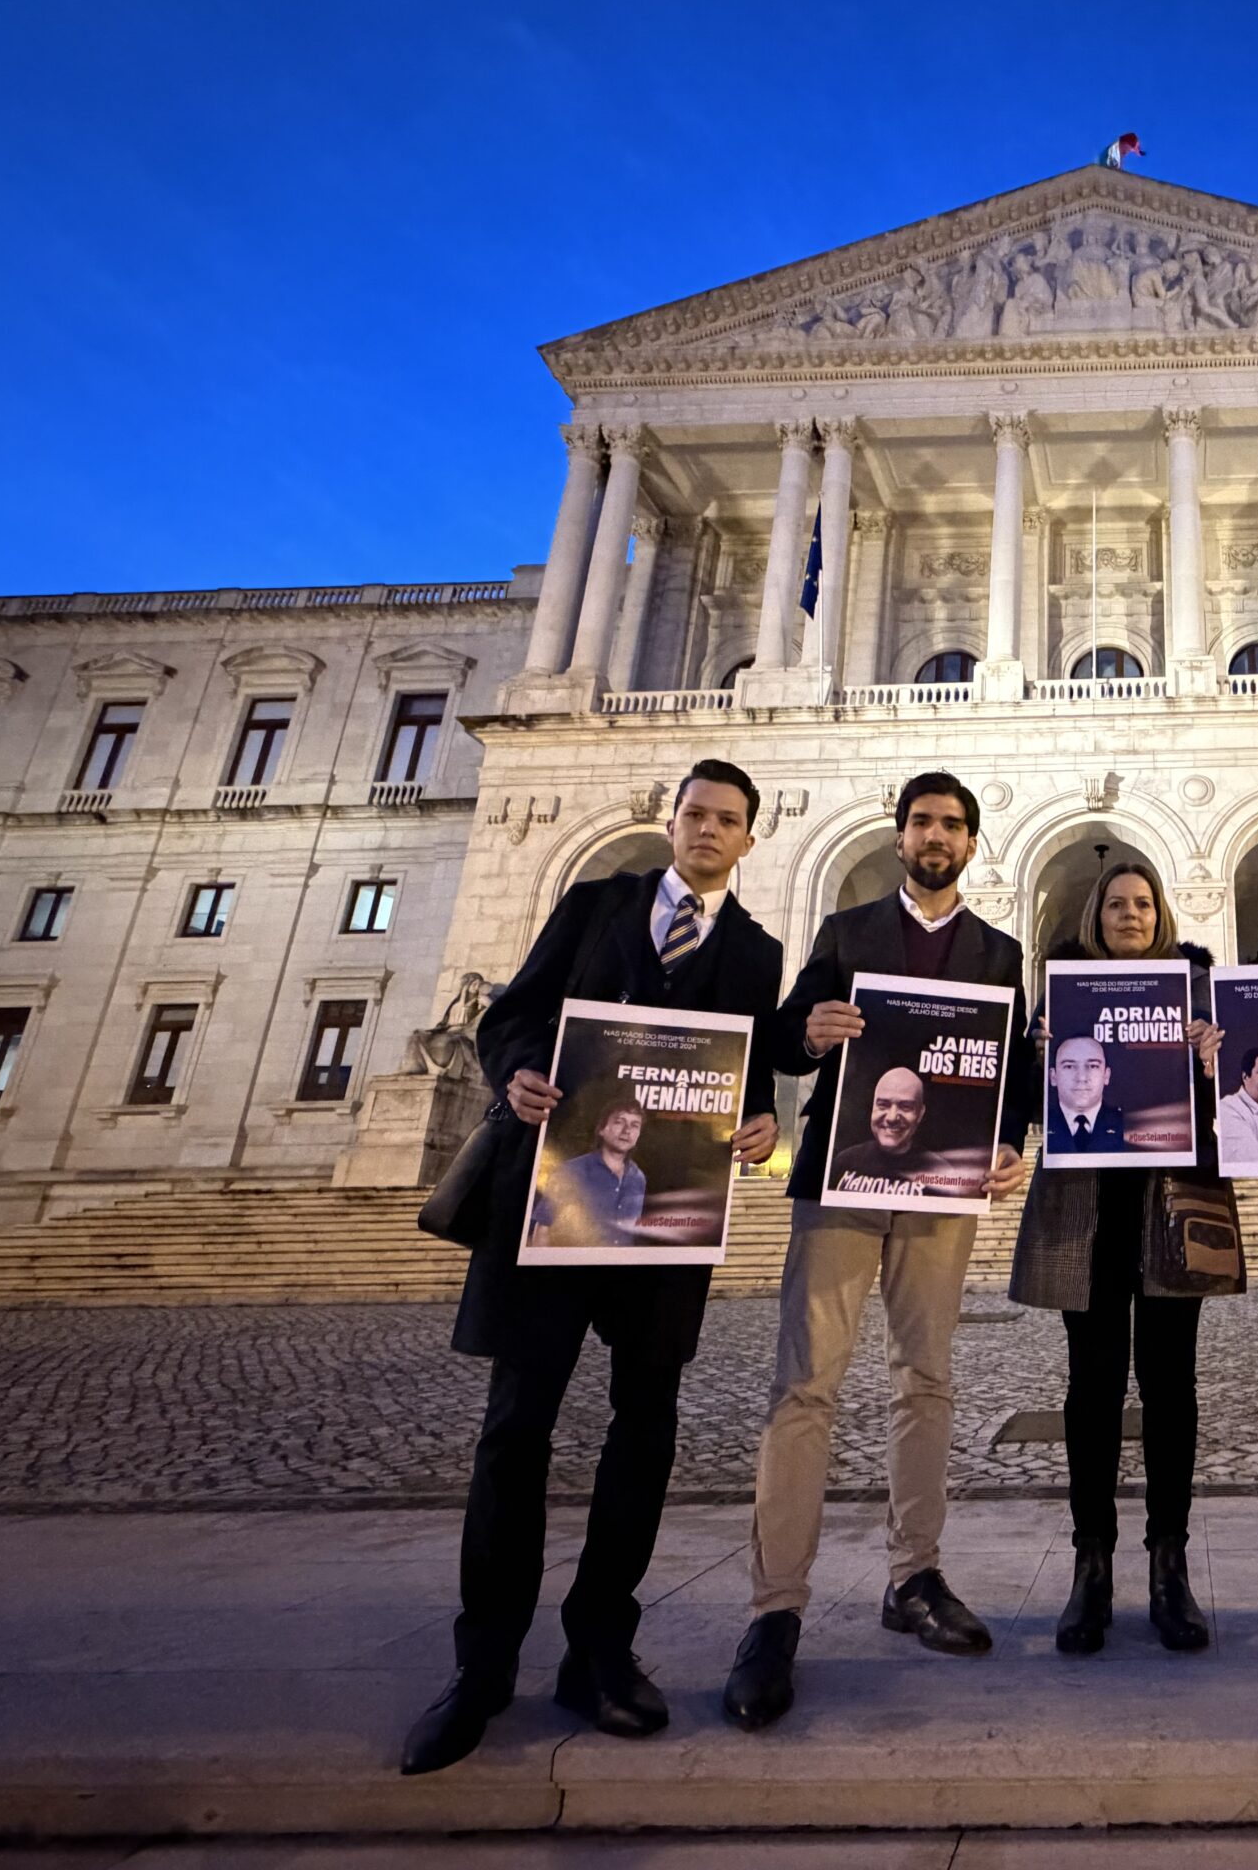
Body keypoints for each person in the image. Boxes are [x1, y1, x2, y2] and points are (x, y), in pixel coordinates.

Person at [402, 760, 782, 1775]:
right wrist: (519, 1071)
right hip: (553, 1202)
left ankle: (599, 1650)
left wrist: (758, 1127)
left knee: (643, 1432)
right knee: (514, 1431)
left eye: (727, 821)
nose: (707, 831)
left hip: (665, 1223)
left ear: (751, 837)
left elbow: (749, 1076)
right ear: (672, 821)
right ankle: (481, 1669)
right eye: (695, 814)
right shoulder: (595, 900)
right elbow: (512, 1013)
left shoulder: (755, 951)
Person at [722, 772, 1034, 1732]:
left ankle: (915, 1576)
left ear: (972, 845)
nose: (935, 836)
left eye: (951, 825)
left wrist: (1015, 1137)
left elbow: (1014, 1061)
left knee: (926, 1380)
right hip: (841, 1185)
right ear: (900, 837)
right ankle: (775, 1613)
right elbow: (784, 1040)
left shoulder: (998, 951)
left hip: (940, 1192)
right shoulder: (846, 933)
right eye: (922, 823)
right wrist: (810, 1035)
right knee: (805, 1385)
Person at [1010, 860, 1236, 1656]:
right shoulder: (1064, 985)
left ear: (1161, 914)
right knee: (1093, 1385)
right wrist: (1041, 1054)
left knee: (1172, 1382)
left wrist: (1214, 1055)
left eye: (1143, 904)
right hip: (1091, 1207)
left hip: (1171, 1203)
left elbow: (1235, 1093)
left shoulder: (1198, 982)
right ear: (1094, 913)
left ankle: (1168, 1565)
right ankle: (1091, 1563)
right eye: (1116, 904)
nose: (1130, 915)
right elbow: (1037, 1093)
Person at [530, 1094, 649, 1247]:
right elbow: (543, 1228)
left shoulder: (638, 1178)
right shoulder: (571, 1171)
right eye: (620, 1122)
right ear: (601, 1130)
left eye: (634, 1125)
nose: (627, 1130)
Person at [827, 1066, 948, 1195]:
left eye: (905, 1107)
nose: (892, 1117)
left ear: (920, 1113)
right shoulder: (844, 1162)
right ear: (873, 1106)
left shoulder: (939, 1172)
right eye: (883, 1105)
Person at [1047, 1035, 1130, 1155]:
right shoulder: (1045, 1123)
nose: (1081, 1078)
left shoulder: (1128, 1125)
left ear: (1106, 1075)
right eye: (1069, 1066)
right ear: (1053, 1076)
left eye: (1093, 1066)